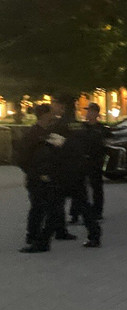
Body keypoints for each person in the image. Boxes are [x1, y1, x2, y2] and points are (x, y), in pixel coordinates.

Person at [17, 104, 64, 253]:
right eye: (50, 112)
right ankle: (34, 237)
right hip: (38, 177)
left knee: (48, 208)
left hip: (49, 176)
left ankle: (38, 238)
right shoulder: (33, 135)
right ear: (44, 115)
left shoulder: (48, 132)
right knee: (39, 208)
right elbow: (23, 158)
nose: (53, 115)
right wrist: (34, 173)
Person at [49, 96, 81, 241]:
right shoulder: (76, 123)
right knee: (82, 201)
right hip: (76, 166)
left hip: (62, 168)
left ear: (62, 106)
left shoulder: (60, 125)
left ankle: (51, 233)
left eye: (54, 104)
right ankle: (93, 232)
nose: (52, 107)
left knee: (56, 202)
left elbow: (54, 146)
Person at [83, 102, 107, 223]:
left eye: (90, 111)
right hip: (83, 160)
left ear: (96, 113)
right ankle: (78, 212)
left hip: (96, 160)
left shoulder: (101, 129)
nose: (88, 113)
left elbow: (106, 144)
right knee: (81, 187)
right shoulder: (82, 127)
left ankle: (97, 211)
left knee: (96, 186)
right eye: (87, 111)